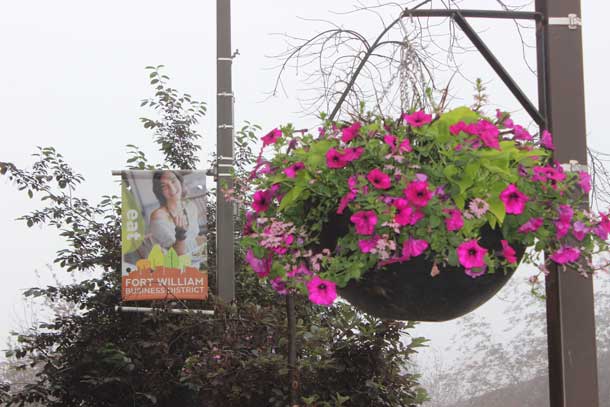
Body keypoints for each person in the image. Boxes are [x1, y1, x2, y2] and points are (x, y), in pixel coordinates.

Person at [149, 171, 206, 262]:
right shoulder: (158, 216)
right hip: (176, 268)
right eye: (164, 186)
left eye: (173, 181)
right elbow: (175, 255)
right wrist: (180, 235)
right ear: (159, 191)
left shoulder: (190, 206)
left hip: (197, 258)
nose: (171, 188)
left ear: (179, 181)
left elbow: (194, 238)